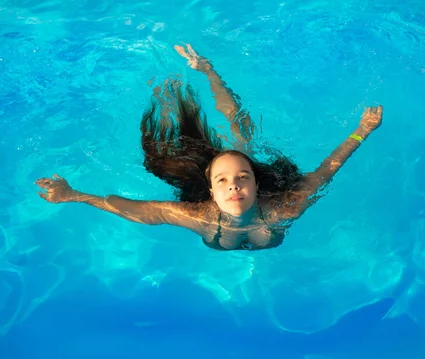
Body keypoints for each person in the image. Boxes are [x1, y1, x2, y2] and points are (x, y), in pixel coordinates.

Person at [35, 44, 383, 251]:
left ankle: (209, 72)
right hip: (215, 214)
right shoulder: (198, 215)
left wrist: (361, 131)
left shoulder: (286, 207)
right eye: (223, 181)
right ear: (212, 192)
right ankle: (209, 74)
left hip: (253, 212)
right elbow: (138, 211)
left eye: (243, 178)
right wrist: (73, 196)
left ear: (256, 184)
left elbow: (327, 170)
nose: (234, 184)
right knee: (239, 140)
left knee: (241, 136)